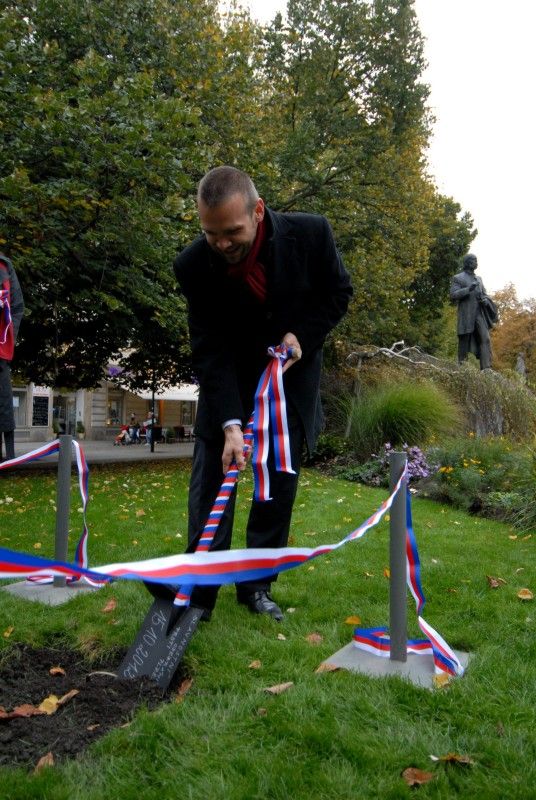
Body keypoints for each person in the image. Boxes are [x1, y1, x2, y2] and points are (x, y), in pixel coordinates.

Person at [174, 166, 352, 621]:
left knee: (276, 488)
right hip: (227, 384)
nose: (221, 244)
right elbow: (209, 347)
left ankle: (256, 586)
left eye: (231, 232)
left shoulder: (311, 235)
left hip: (286, 381)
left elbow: (337, 293)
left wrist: (302, 335)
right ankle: (199, 594)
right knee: (210, 489)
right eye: (211, 233)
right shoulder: (193, 266)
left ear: (257, 211)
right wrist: (230, 424)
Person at [450, 253, 497, 370]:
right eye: (474, 260)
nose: (476, 263)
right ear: (467, 262)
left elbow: (485, 294)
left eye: (476, 260)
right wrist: (468, 289)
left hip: (479, 314)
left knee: (485, 338)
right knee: (464, 342)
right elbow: (453, 294)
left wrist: (486, 300)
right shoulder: (458, 278)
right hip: (466, 315)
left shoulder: (479, 279)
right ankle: (462, 368)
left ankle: (486, 368)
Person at [0, 253, 24, 462]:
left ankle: (8, 455)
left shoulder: (4, 266)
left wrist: (9, 336)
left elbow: (16, 307)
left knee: (3, 402)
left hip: (0, 351)